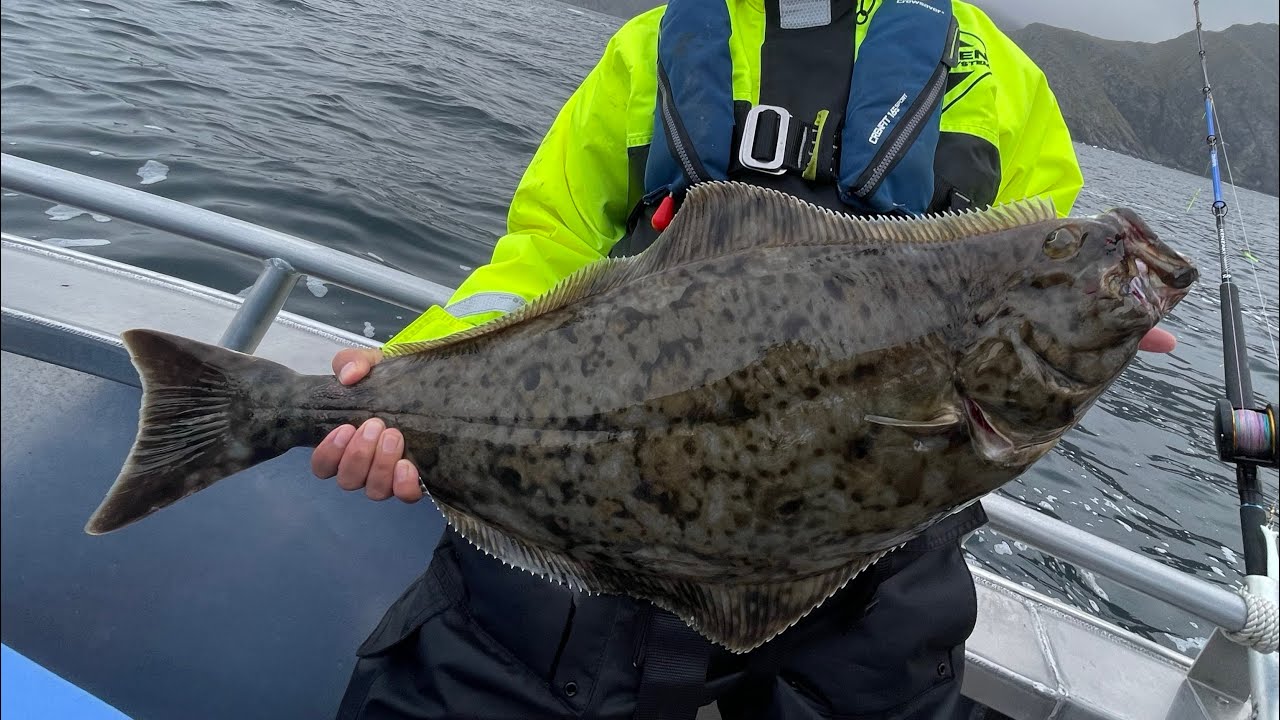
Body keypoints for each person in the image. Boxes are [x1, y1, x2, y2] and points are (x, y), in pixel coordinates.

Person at [315, 1, 1178, 718]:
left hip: (872, 570)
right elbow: (547, 254)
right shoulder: (652, 45)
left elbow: (1034, 286)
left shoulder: (1003, 83)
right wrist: (410, 370)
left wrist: (1104, 320)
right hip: (602, 489)